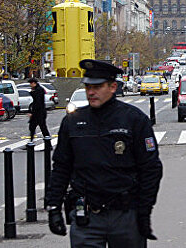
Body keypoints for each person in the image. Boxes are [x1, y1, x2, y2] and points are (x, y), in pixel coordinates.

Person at [45, 59, 163, 248]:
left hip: (125, 214)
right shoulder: (73, 121)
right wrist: (53, 207)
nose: (91, 92)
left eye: (97, 87)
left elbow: (151, 168)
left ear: (113, 87)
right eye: (88, 87)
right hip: (87, 216)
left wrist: (144, 211)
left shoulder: (133, 119)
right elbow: (61, 167)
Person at [28, 77, 49, 142]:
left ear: (34, 83)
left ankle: (48, 143)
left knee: (43, 128)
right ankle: (31, 142)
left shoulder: (38, 90)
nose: (30, 85)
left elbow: (37, 102)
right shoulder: (37, 89)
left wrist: (32, 113)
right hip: (38, 113)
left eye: (31, 83)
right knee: (32, 127)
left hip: (39, 113)